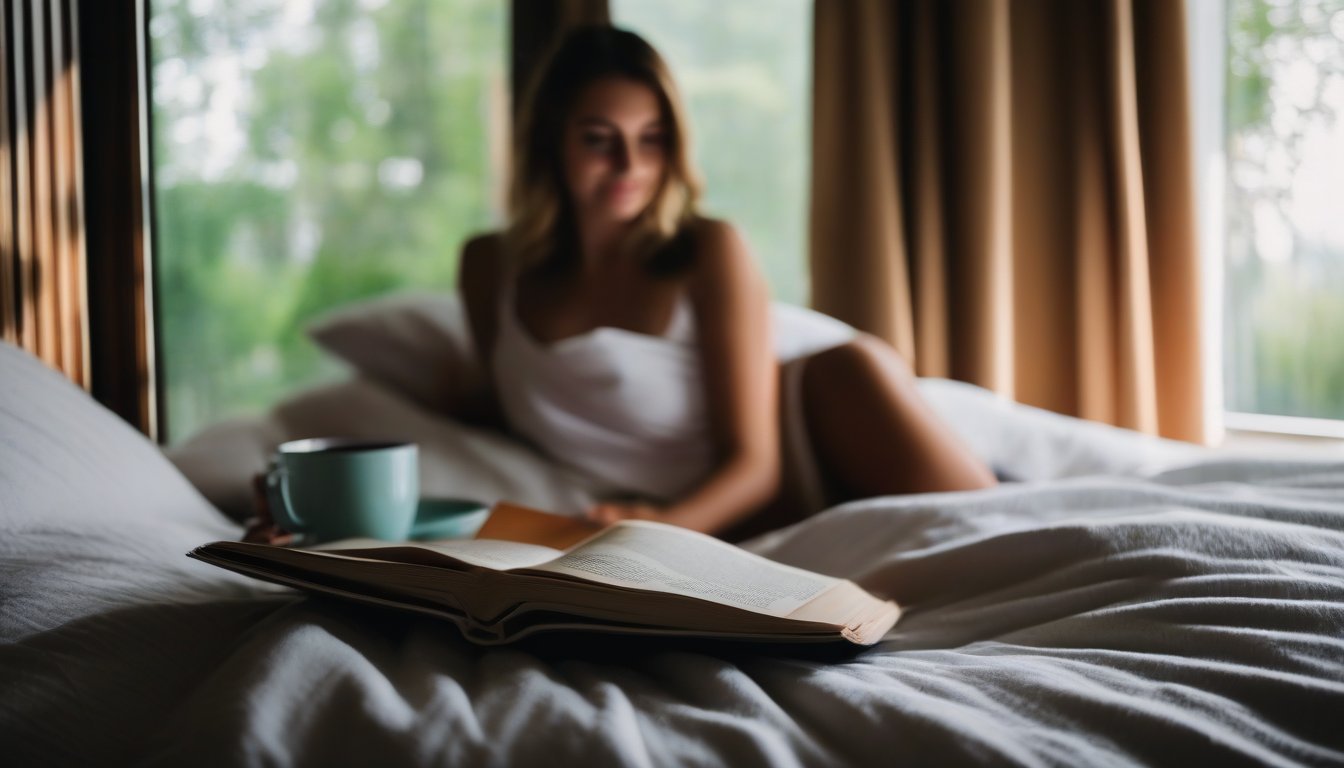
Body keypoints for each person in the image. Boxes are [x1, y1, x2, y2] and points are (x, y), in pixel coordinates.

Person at [450, 25, 995, 541]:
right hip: (690, 524)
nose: (629, 165)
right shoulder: (489, 267)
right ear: (549, 140)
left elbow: (756, 466)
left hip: (817, 447)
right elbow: (508, 405)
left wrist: (656, 530)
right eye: (598, 140)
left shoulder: (708, 249)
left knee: (994, 543)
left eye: (652, 139)